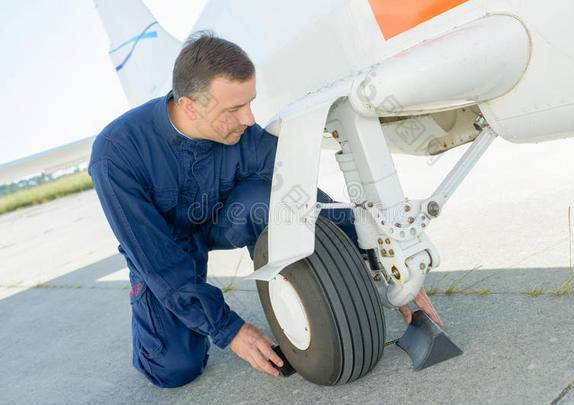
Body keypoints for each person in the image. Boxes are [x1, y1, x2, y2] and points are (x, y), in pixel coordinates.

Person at [89, 31, 441, 388]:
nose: (249, 118)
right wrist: (231, 330)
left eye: (250, 103)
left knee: (266, 199)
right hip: (163, 244)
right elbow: (158, 261)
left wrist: (386, 260)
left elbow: (312, 204)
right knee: (175, 369)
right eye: (233, 110)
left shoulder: (246, 136)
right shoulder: (116, 155)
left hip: (222, 222)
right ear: (189, 106)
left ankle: (297, 297)